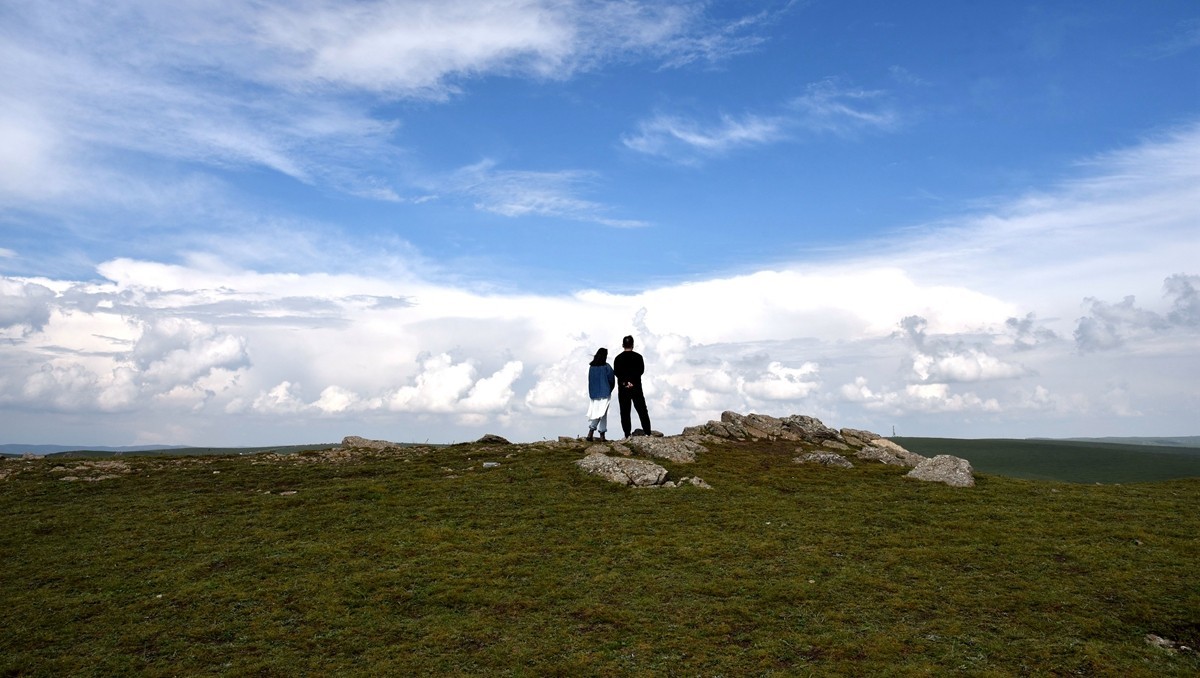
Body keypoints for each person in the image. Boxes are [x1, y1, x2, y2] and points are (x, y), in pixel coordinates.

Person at [612, 335, 651, 438]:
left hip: (623, 388)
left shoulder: (618, 358)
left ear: (622, 345)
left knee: (625, 411)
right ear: (633, 345)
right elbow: (640, 371)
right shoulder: (638, 357)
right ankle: (647, 432)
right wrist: (632, 382)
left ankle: (627, 434)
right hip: (636, 387)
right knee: (642, 410)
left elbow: (617, 372)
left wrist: (626, 382)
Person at [586, 347, 615, 441]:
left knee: (597, 413)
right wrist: (610, 389)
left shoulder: (592, 367)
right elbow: (611, 379)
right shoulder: (607, 367)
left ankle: (592, 432)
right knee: (603, 414)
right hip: (605, 392)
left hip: (594, 393)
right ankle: (600, 433)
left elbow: (590, 380)